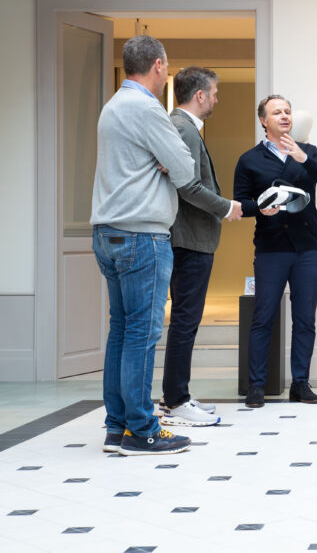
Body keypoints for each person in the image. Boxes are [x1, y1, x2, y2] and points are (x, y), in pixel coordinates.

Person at [91, 35, 195, 455]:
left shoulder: (113, 105)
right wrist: (166, 163)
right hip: (141, 236)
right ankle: (142, 428)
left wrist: (161, 161)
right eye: (166, 67)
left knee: (121, 330)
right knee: (142, 333)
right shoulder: (147, 108)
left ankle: (116, 426)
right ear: (157, 65)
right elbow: (186, 169)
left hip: (108, 233)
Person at [233, 95, 317, 408]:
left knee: (305, 318)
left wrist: (304, 158)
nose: (284, 116)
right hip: (271, 249)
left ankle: (301, 384)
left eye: (287, 112)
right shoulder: (249, 160)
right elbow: (240, 204)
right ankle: (256, 386)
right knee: (263, 317)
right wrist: (260, 208)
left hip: (306, 248)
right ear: (263, 120)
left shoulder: (310, 152)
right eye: (276, 112)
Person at [159, 67, 243, 426]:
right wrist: (227, 207)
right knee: (185, 320)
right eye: (214, 93)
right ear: (199, 95)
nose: (216, 99)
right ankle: (177, 400)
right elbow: (188, 186)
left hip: (189, 239)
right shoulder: (183, 128)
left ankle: (177, 396)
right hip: (189, 240)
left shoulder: (181, 127)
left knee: (185, 319)